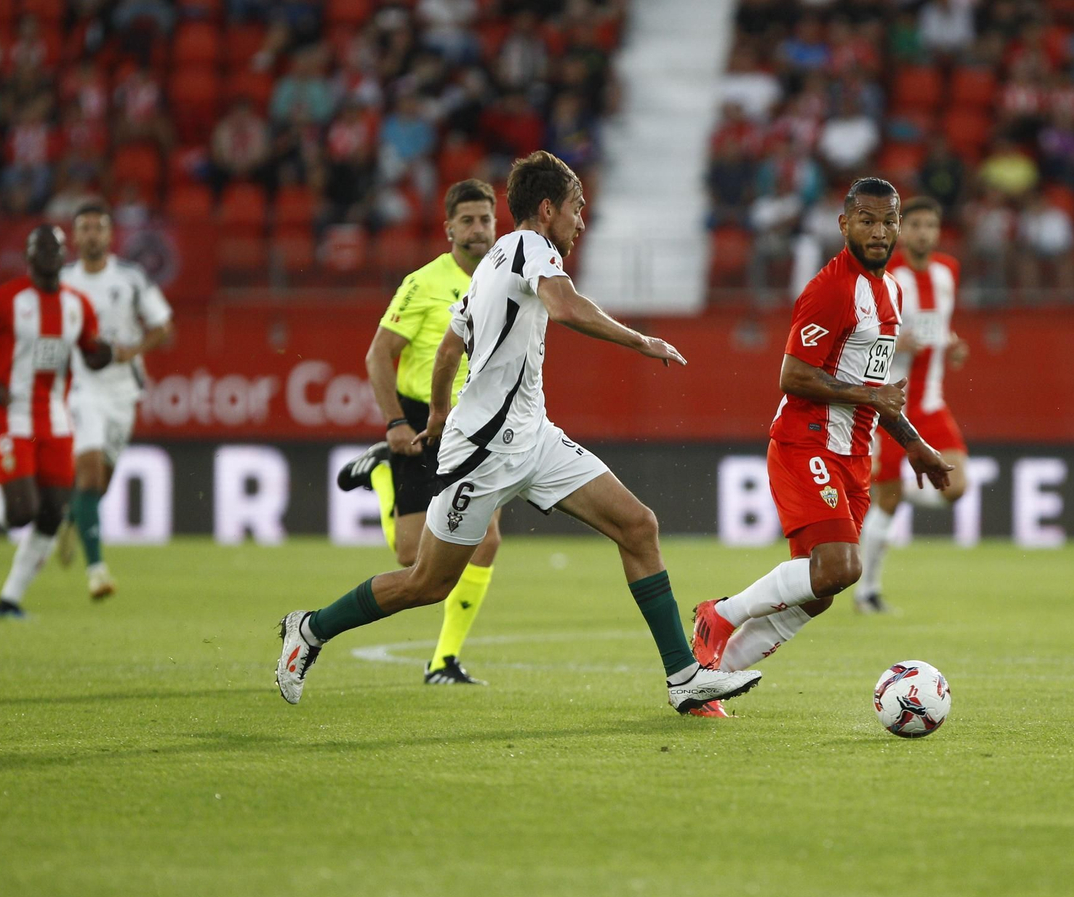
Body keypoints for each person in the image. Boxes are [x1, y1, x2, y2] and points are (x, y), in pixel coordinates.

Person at [277, 152, 761, 714]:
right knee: (426, 583)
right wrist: (641, 341)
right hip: (482, 454)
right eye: (577, 208)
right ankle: (310, 628)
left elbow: (449, 349)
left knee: (638, 525)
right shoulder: (532, 246)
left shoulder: (491, 264)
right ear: (547, 209)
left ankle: (683, 676)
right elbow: (565, 306)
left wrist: (437, 414)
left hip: (534, 439)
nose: (582, 221)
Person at [688, 178, 953, 710]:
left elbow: (877, 389)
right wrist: (871, 398)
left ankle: (706, 682)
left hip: (854, 452)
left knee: (821, 592)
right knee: (841, 568)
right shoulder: (830, 289)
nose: (878, 232)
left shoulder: (891, 291)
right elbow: (792, 375)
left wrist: (914, 443)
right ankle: (719, 614)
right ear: (844, 224)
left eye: (888, 221)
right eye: (867, 221)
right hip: (805, 442)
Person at [335, 180, 503, 685]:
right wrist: (395, 423)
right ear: (449, 228)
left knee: (485, 541)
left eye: (485, 219)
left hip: (477, 423)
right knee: (412, 558)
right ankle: (382, 474)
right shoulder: (423, 282)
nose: (478, 229)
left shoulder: (505, 279)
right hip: (423, 421)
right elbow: (377, 355)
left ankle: (443, 660)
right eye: (467, 220)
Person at [855, 196, 970, 614]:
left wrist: (952, 345)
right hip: (891, 402)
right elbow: (856, 331)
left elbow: (938, 325)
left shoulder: (947, 271)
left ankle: (896, 492)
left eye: (931, 226)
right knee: (885, 500)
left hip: (932, 400)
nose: (924, 233)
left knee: (956, 486)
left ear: (938, 232)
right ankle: (867, 593)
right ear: (902, 230)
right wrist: (890, 342)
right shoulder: (883, 274)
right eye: (916, 225)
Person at [53, 202, 174, 599]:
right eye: (84, 228)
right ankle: (97, 572)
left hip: (122, 391)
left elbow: (163, 325)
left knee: (98, 484)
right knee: (88, 475)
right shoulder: (61, 281)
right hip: (81, 387)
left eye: (98, 227)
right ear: (74, 236)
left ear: (109, 235)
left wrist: (130, 352)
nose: (91, 234)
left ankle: (73, 518)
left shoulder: (131, 277)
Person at [0, 226, 113, 618]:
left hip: (56, 422)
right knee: (21, 512)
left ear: (64, 255)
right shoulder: (5, 300)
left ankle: (9, 601)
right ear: (29, 257)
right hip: (11, 417)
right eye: (41, 249)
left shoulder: (78, 305)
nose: (49, 255)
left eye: (55, 249)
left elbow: (91, 350)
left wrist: (103, 355)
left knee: (53, 512)